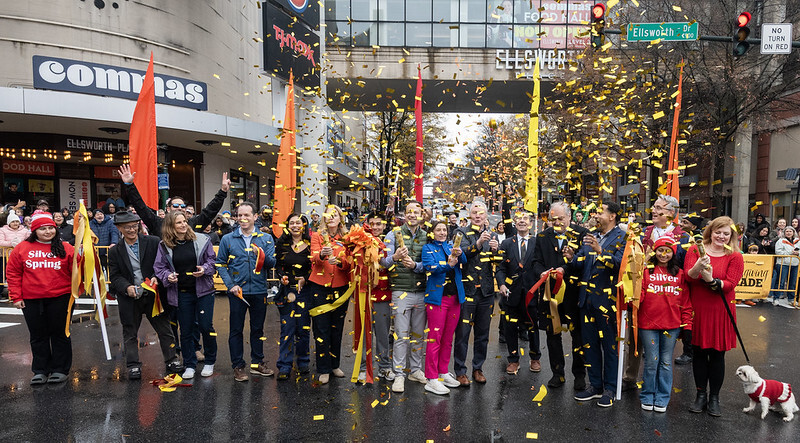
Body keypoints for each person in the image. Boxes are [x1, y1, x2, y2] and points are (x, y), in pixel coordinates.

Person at [623, 194, 688, 390]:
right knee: (634, 338)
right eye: (653, 206)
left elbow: (684, 269)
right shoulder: (643, 233)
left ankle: (659, 383)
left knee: (664, 348)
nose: (653, 210)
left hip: (667, 296)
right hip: (641, 293)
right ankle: (629, 376)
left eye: (659, 207)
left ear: (671, 213)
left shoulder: (683, 237)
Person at [109, 210, 183, 380]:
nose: (131, 230)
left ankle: (172, 359)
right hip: (130, 297)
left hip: (153, 295)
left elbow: (163, 264)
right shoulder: (114, 251)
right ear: (119, 228)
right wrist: (126, 287)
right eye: (127, 227)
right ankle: (133, 365)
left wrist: (158, 277)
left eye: (134, 226)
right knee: (130, 332)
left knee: (164, 329)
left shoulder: (153, 242)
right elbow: (114, 276)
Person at [565, 201, 625, 408]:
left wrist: (600, 250)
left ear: (613, 216)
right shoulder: (591, 235)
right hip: (586, 301)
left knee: (609, 347)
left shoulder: (622, 238)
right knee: (589, 345)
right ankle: (595, 385)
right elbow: (580, 264)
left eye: (601, 212)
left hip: (607, 303)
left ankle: (609, 388)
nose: (596, 216)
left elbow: (620, 266)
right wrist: (572, 258)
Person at [684, 216, 744, 417]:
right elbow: (688, 277)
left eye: (726, 233)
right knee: (699, 353)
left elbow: (730, 284)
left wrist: (711, 279)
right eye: (718, 232)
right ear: (711, 231)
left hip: (721, 309)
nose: (722, 236)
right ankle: (700, 395)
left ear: (732, 235)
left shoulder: (735, 255)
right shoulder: (695, 249)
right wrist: (699, 267)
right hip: (699, 308)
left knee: (718, 355)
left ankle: (715, 398)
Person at [6, 211, 74, 384]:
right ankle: (40, 370)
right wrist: (16, 296)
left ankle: (60, 369)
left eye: (50, 228)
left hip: (61, 297)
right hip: (31, 299)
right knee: (37, 335)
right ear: (34, 230)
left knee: (60, 334)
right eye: (42, 229)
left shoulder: (66, 247)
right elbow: (13, 273)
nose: (47, 232)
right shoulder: (22, 249)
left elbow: (78, 269)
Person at [216, 202, 276, 381]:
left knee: (258, 329)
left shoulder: (266, 238)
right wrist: (230, 285)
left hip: (258, 290)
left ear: (255, 217)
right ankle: (238, 366)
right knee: (236, 329)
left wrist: (263, 256)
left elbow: (272, 263)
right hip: (237, 291)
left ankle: (258, 364)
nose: (242, 219)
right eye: (239, 215)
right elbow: (220, 264)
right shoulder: (228, 239)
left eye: (246, 215)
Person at [153, 211, 218, 379]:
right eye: (179, 223)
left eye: (184, 221)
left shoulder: (202, 239)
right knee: (186, 329)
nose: (183, 225)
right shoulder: (164, 245)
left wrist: (204, 269)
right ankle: (189, 363)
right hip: (181, 293)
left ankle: (210, 360)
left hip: (203, 291)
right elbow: (159, 268)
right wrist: (168, 276)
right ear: (170, 227)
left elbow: (212, 261)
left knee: (205, 326)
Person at [531, 201, 588, 390]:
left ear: (569, 217)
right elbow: (536, 261)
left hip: (574, 293)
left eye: (561, 218)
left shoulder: (581, 234)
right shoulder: (542, 236)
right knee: (552, 334)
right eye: (553, 218)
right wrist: (541, 272)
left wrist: (564, 268)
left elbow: (583, 261)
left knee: (577, 335)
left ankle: (579, 375)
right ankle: (557, 373)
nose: (557, 222)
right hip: (550, 294)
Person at [638, 236, 692, 412]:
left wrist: (687, 324)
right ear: (655, 251)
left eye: (667, 250)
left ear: (673, 253)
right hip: (648, 325)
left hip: (671, 325)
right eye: (660, 250)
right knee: (652, 361)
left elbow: (685, 302)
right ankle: (647, 395)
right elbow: (639, 297)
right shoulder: (646, 271)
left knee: (666, 362)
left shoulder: (680, 273)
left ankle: (662, 397)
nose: (663, 254)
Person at [379, 201, 428, 393]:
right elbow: (383, 262)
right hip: (400, 290)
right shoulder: (393, 234)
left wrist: (416, 266)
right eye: (409, 212)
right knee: (400, 334)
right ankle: (399, 373)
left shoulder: (427, 237)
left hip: (421, 290)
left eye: (416, 212)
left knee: (418, 335)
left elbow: (430, 263)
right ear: (405, 214)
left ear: (422, 215)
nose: (413, 215)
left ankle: (415, 370)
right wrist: (396, 257)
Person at [453, 201, 499, 386]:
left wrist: (497, 251)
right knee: (463, 332)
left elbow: (497, 262)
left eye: (481, 213)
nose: (478, 216)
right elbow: (460, 254)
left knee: (483, 333)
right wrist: (479, 244)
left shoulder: (493, 234)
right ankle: (460, 370)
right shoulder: (460, 233)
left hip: (486, 291)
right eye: (474, 212)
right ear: (469, 214)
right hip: (467, 290)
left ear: (486, 215)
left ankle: (478, 368)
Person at [118, 164, 230, 237]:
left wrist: (223, 192)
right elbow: (140, 207)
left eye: (182, 206)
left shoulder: (195, 223)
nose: (179, 208)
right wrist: (129, 185)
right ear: (168, 208)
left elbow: (211, 210)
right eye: (175, 206)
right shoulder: (158, 223)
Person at [421, 219, 466, 395]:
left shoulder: (450, 246)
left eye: (444, 230)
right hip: (437, 299)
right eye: (438, 230)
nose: (442, 232)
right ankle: (431, 378)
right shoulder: (427, 248)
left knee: (448, 338)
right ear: (432, 232)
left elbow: (463, 260)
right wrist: (448, 265)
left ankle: (443, 371)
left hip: (454, 298)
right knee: (435, 338)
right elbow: (429, 267)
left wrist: (460, 253)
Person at [308, 205, 352, 385]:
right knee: (321, 329)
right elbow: (313, 258)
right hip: (319, 287)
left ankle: (335, 364)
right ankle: (323, 368)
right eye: (328, 215)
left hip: (341, 287)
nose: (332, 218)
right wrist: (321, 255)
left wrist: (341, 262)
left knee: (337, 328)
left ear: (340, 218)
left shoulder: (348, 238)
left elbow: (351, 262)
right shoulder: (317, 236)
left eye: (335, 215)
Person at [497, 210, 540, 374]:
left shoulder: (537, 243)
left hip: (531, 293)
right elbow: (500, 268)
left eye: (525, 219)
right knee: (510, 327)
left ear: (530, 223)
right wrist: (501, 284)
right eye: (519, 219)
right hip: (510, 293)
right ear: (514, 222)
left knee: (533, 326)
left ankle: (535, 358)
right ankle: (513, 360)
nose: (522, 221)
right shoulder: (507, 244)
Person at [274, 213, 312, 380]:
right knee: (287, 328)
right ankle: (285, 365)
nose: (295, 225)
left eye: (299, 222)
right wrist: (282, 276)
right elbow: (278, 265)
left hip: (305, 291)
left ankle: (303, 361)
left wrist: (307, 279)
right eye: (292, 223)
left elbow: (315, 266)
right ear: (287, 225)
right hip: (287, 291)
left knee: (303, 328)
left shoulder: (311, 244)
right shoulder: (282, 244)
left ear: (304, 225)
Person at [364, 212, 392, 380]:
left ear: (384, 226)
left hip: (383, 295)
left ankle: (384, 366)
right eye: (372, 224)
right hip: (364, 295)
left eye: (379, 224)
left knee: (382, 333)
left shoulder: (389, 244)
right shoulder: (360, 242)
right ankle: (363, 368)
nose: (375, 227)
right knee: (364, 333)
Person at [771, 225, 799, 306]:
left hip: (795, 264)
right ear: (784, 232)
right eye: (787, 231)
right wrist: (791, 253)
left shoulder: (798, 241)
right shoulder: (780, 241)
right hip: (783, 264)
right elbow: (778, 252)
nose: (788, 233)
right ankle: (776, 298)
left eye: (790, 231)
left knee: (792, 282)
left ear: (793, 232)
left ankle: (791, 299)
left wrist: (798, 253)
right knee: (780, 282)